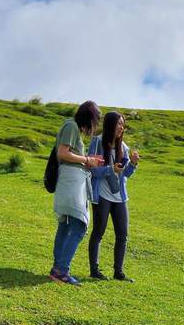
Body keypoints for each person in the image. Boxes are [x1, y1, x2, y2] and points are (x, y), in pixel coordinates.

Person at [50, 101, 105, 286]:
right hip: (71, 182)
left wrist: (89, 161)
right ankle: (61, 270)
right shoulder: (71, 126)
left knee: (66, 224)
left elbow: (69, 155)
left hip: (71, 180)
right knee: (80, 225)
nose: (94, 126)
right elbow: (63, 153)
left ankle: (58, 269)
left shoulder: (71, 127)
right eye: (95, 121)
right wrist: (88, 159)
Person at [87, 111, 139, 282]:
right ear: (110, 125)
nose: (122, 127)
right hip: (101, 195)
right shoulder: (97, 142)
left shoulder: (123, 147)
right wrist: (110, 169)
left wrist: (133, 164)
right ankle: (94, 270)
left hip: (120, 197)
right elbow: (92, 169)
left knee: (122, 234)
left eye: (123, 124)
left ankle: (119, 272)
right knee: (99, 231)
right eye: (119, 124)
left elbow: (125, 175)